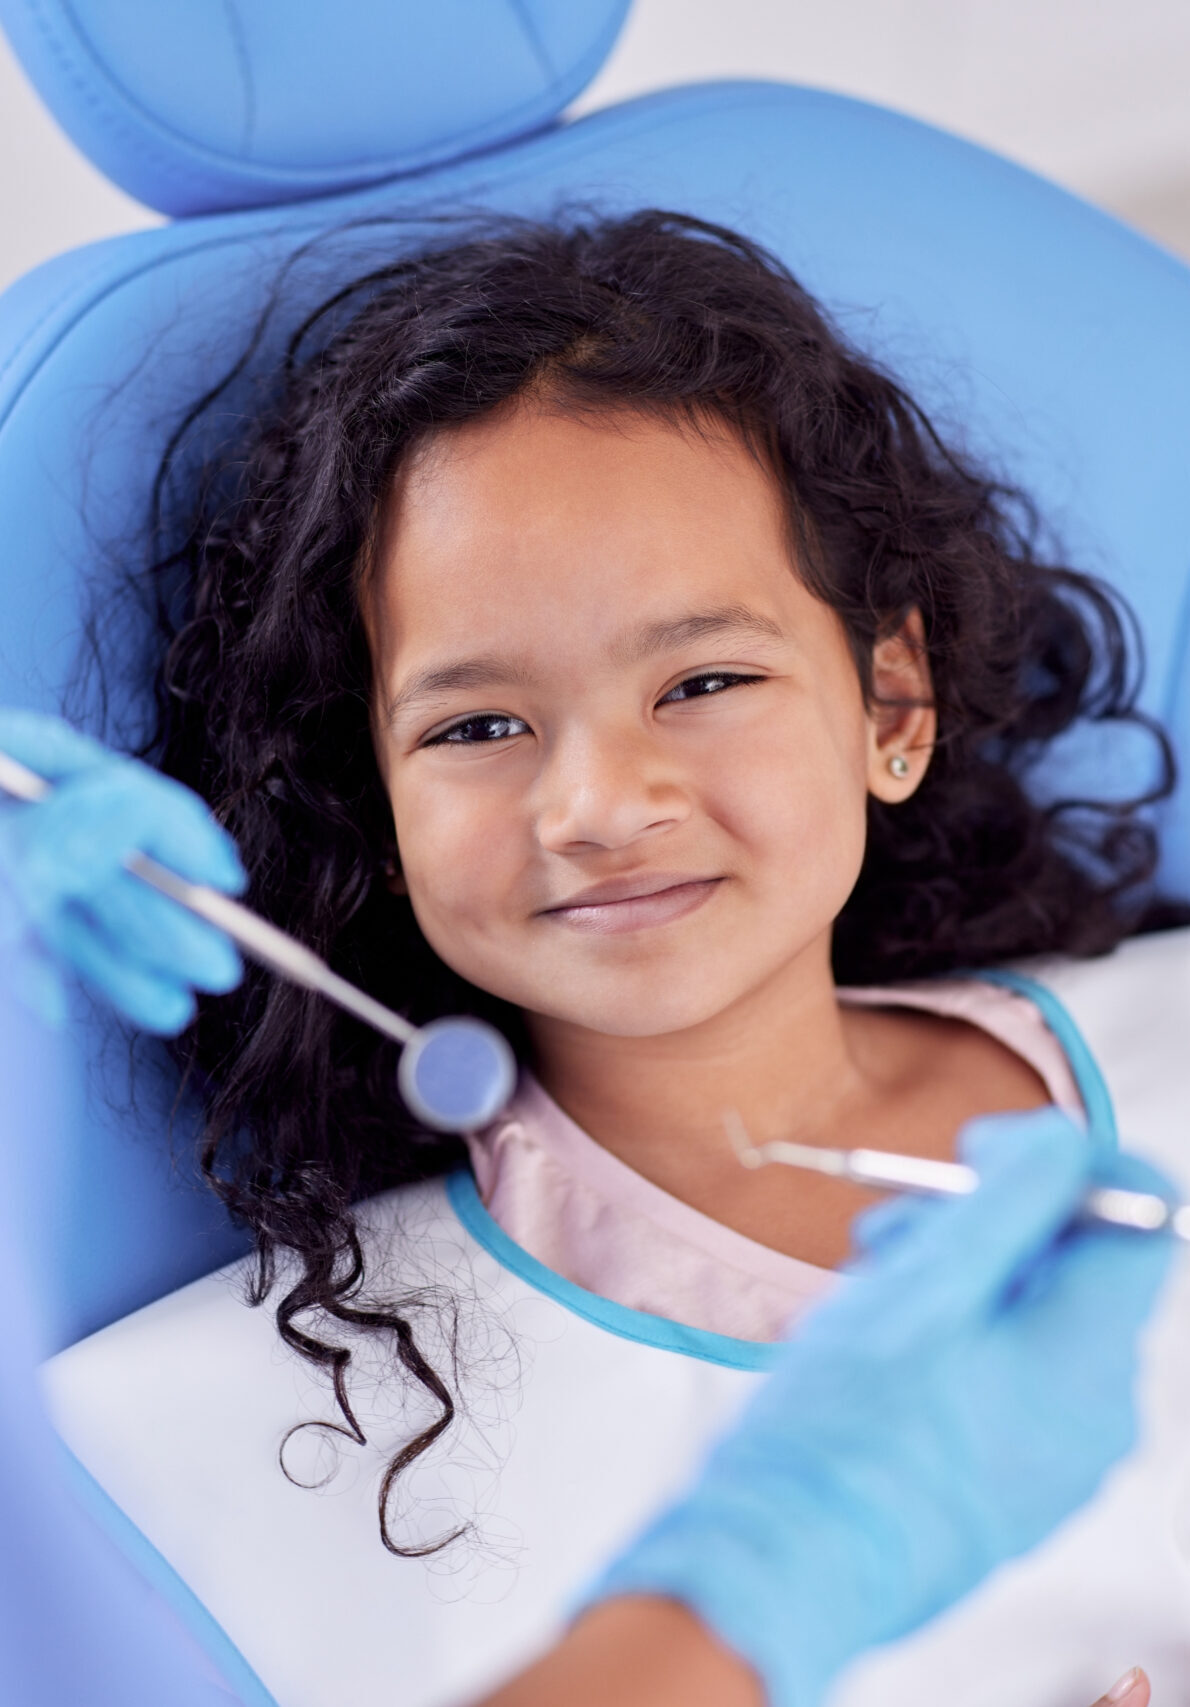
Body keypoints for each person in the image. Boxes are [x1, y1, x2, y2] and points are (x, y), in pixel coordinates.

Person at [4, 207, 1188, 1705]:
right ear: (373, 801)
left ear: (890, 704)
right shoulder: (214, 1448)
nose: (599, 807)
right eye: (477, 727)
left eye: (701, 679)